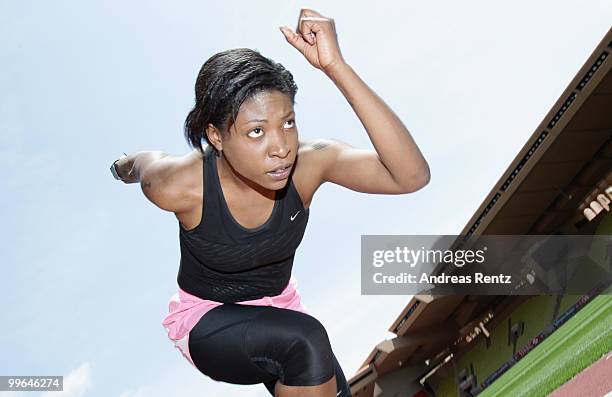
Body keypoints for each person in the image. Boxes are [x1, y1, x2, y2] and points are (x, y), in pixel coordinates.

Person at [109, 8, 430, 397]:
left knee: (313, 354)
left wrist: (335, 66)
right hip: (207, 320)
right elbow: (146, 164)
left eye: (288, 123)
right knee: (306, 340)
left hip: (281, 311)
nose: (280, 147)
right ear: (216, 136)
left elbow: (410, 177)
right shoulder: (180, 185)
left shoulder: (309, 165)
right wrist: (122, 166)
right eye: (256, 131)